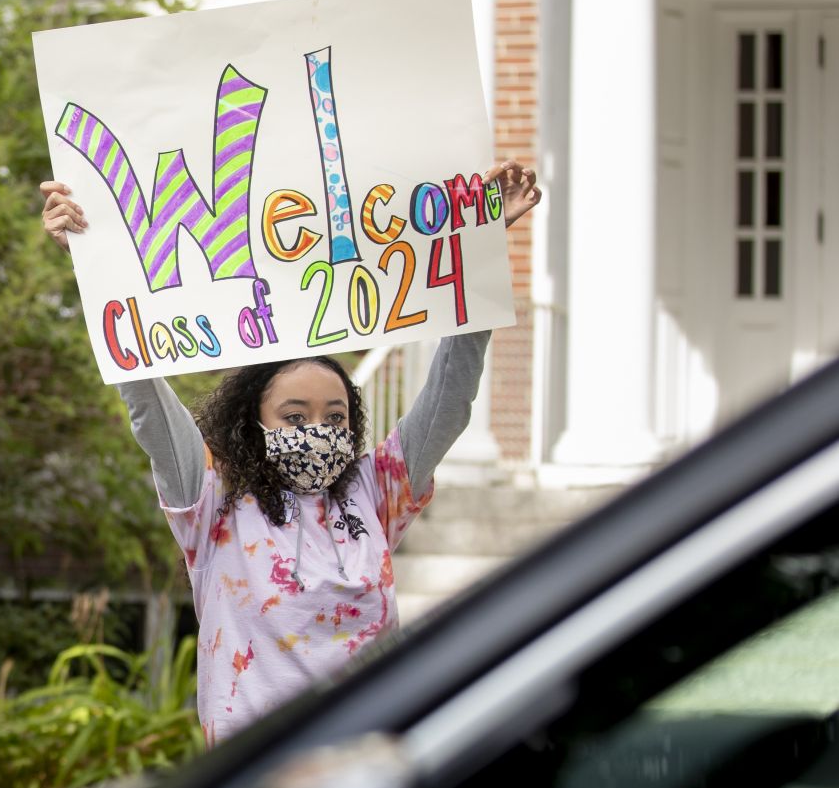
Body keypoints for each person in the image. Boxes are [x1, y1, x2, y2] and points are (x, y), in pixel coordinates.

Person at [39, 162, 541, 744]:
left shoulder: (375, 492)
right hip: (253, 778)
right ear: (254, 424)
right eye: (295, 417)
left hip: (366, 763)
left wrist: (481, 246)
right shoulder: (213, 501)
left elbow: (450, 398)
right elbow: (148, 400)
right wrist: (92, 258)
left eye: (335, 417)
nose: (318, 430)